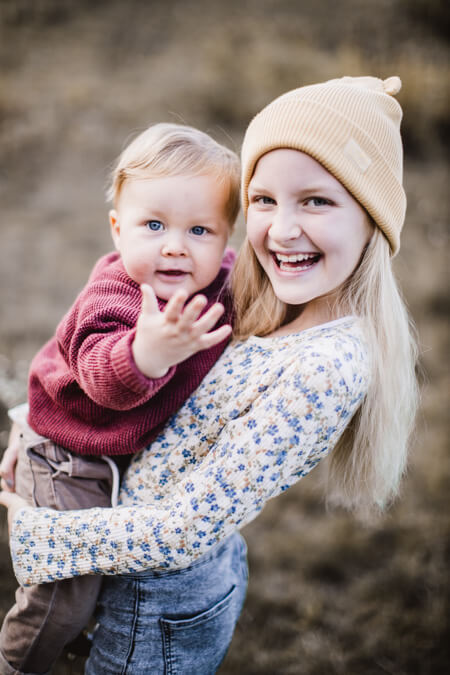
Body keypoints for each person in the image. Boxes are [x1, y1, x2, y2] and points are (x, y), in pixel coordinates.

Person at [0, 76, 419, 675]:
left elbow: (181, 530)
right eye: (265, 200)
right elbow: (88, 339)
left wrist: (32, 528)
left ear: (371, 216)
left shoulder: (326, 368)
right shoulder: (260, 294)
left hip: (160, 605)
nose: (280, 230)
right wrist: (33, 425)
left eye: (317, 201)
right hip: (120, 548)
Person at [0, 122, 240, 674]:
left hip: (117, 456)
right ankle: (21, 662)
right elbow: (100, 377)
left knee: (113, 575)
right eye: (153, 224)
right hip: (68, 455)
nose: (176, 245)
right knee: (66, 591)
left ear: (227, 239)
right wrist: (147, 354)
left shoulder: (219, 283)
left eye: (200, 230)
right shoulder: (115, 299)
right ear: (117, 229)